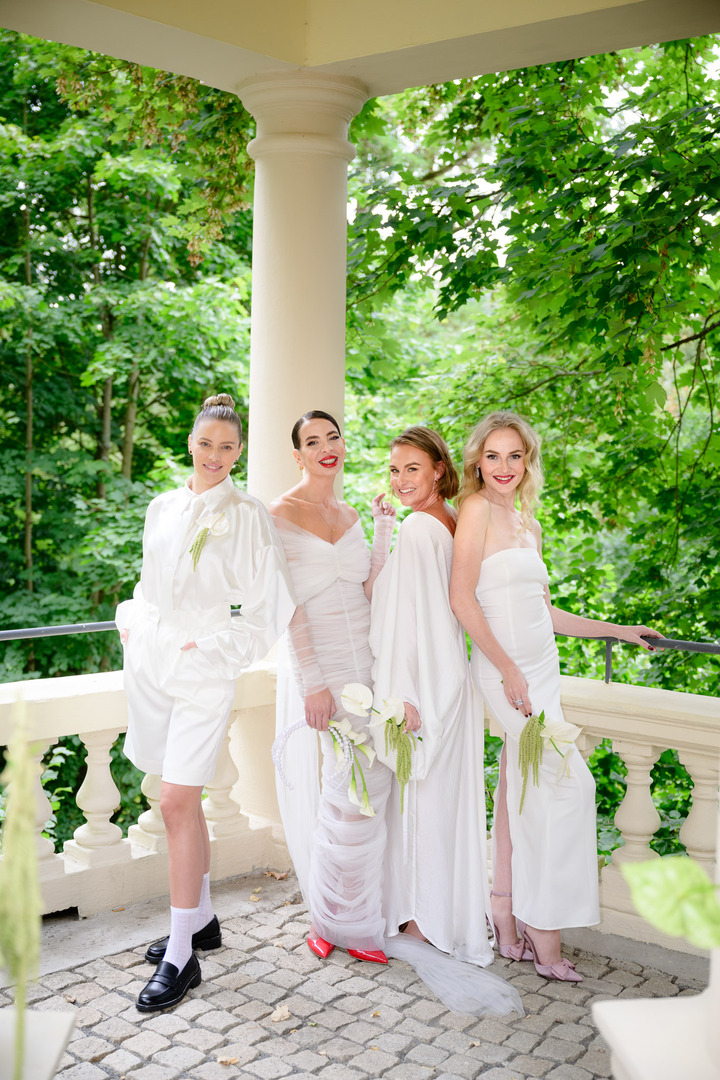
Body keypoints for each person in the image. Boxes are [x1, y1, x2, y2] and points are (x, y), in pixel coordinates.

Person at [450, 411, 660, 982]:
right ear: (477, 461)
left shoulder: (526, 523)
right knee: (564, 791)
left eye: (514, 456)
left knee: (525, 795)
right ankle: (546, 943)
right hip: (505, 675)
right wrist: (507, 668)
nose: (503, 468)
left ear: (528, 461)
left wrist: (617, 631)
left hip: (542, 672)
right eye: (492, 456)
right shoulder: (474, 511)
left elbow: (546, 613)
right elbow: (462, 599)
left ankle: (508, 917)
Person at [116, 393, 295, 1012]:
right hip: (154, 665)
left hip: (204, 670)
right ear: (190, 443)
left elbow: (267, 609)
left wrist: (208, 651)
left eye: (227, 446)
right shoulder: (162, 507)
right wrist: (137, 629)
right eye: (206, 443)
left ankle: (181, 954)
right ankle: (205, 919)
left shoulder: (247, 516)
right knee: (175, 795)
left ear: (238, 451)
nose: (215, 455)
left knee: (175, 800)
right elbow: (144, 586)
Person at [270, 409, 395, 964]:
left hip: (369, 663)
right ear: (297, 455)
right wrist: (312, 684)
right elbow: (287, 606)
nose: (327, 447)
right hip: (325, 669)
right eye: (312, 441)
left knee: (373, 789)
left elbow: (370, 587)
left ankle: (362, 920)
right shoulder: (278, 514)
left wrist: (384, 529)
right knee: (340, 790)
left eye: (333, 437)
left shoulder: (349, 514)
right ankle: (325, 919)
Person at [369, 427, 494, 965]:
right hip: (453, 678)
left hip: (426, 680)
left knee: (423, 804)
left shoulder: (423, 527)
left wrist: (400, 694)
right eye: (394, 470)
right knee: (447, 802)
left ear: (439, 469)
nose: (400, 480)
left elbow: (399, 618)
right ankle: (449, 915)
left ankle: (422, 922)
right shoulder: (455, 520)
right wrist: (382, 527)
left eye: (412, 469)